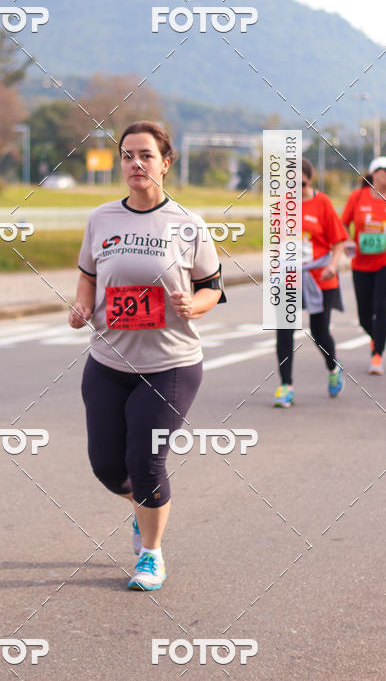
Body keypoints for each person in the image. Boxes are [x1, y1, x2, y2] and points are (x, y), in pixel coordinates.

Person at [69, 121, 226, 591]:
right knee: (106, 466)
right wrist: (81, 305)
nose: (135, 163)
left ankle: (151, 555)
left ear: (166, 163)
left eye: (146, 155)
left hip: (170, 366)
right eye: (127, 155)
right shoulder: (101, 219)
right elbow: (88, 276)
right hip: (108, 363)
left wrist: (192, 305)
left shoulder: (188, 224)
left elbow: (212, 288)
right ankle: (144, 508)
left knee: (146, 461)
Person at [273, 158, 348, 407]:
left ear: (309, 179)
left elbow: (339, 241)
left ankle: (333, 367)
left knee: (319, 332)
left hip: (319, 278)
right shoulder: (282, 205)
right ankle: (286, 386)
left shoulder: (322, 202)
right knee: (284, 330)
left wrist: (332, 266)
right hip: (290, 276)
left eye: (300, 183)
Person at [341, 155, 386, 375]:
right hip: (361, 263)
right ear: (374, 173)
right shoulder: (358, 197)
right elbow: (343, 223)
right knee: (364, 315)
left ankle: (377, 356)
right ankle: (377, 339)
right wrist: (347, 240)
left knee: (381, 308)